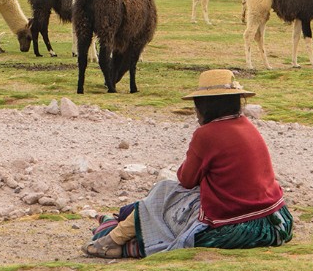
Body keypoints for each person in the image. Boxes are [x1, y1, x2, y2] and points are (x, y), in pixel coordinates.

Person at [82, 68, 293, 258]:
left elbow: (186, 180)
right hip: (277, 221)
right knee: (173, 200)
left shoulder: (207, 134)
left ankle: (115, 240)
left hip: (241, 228)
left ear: (205, 106)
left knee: (166, 194)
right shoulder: (246, 125)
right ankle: (122, 238)